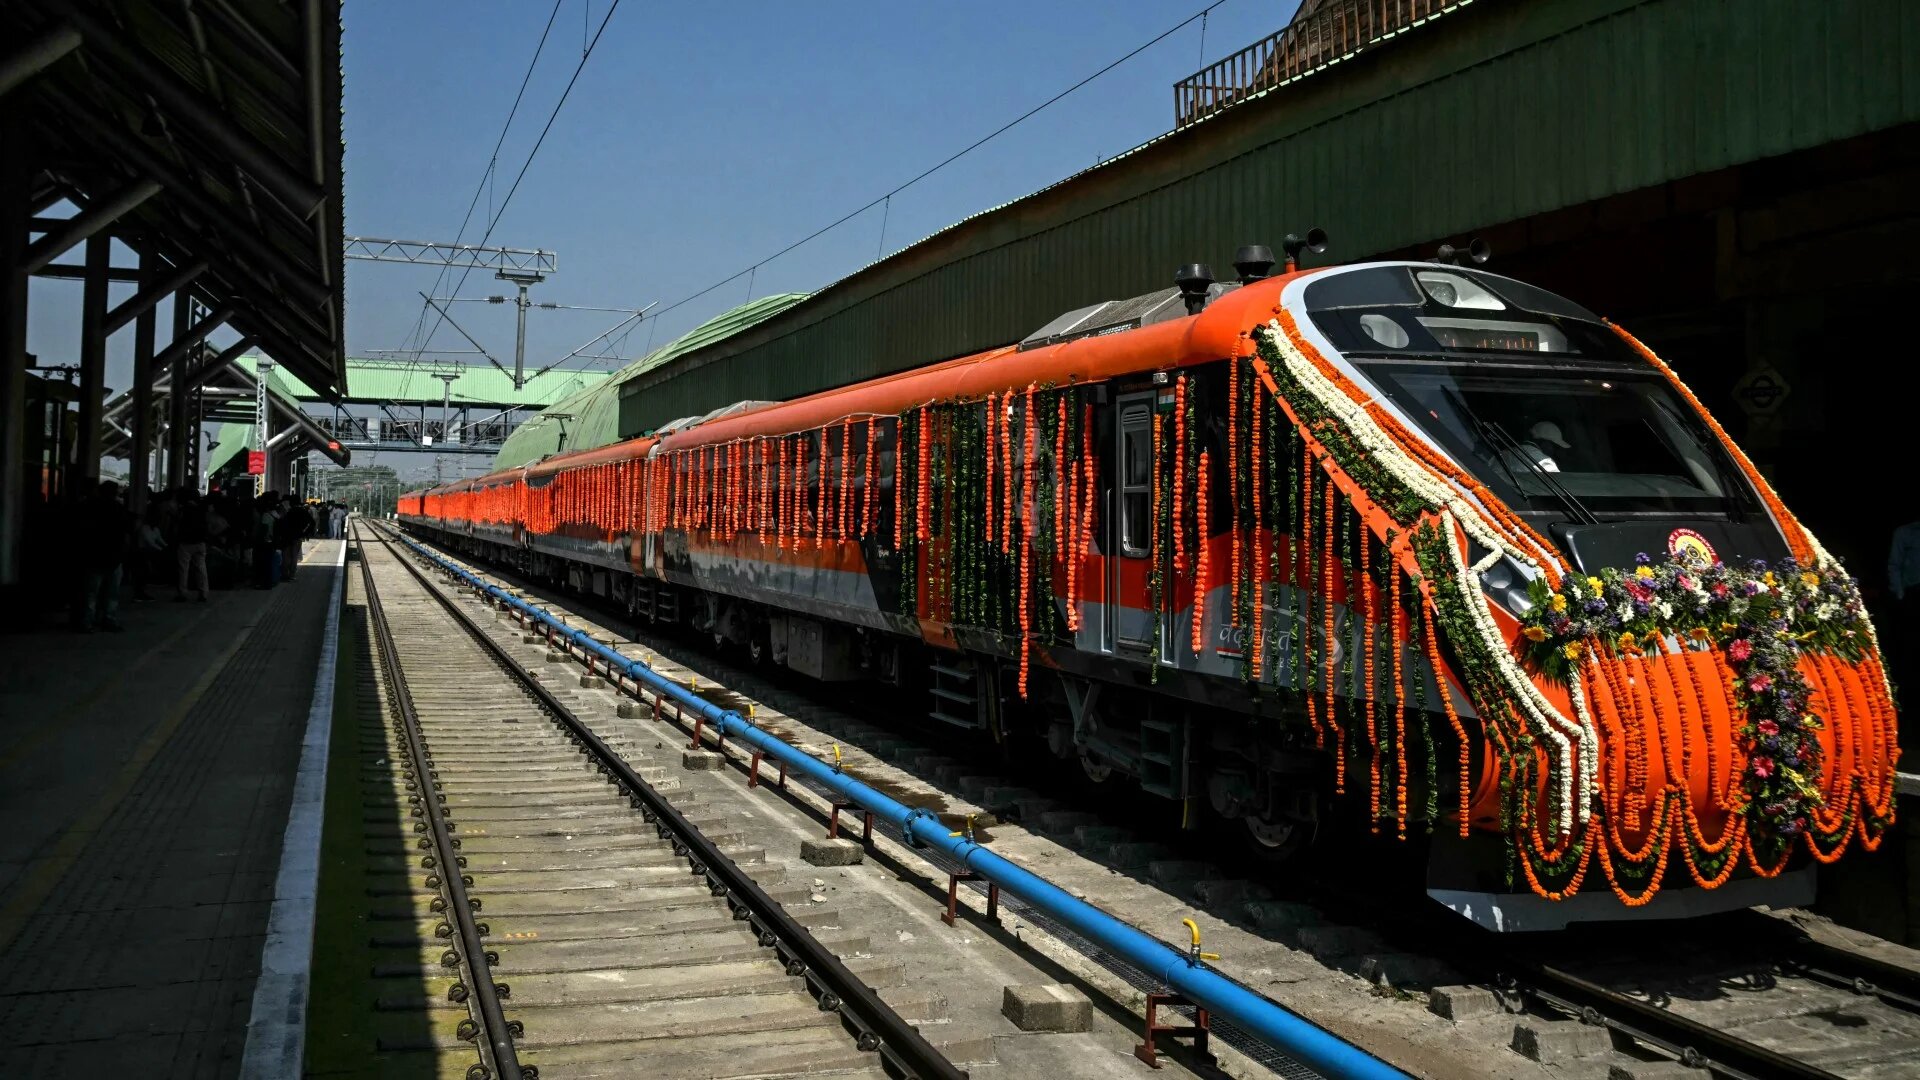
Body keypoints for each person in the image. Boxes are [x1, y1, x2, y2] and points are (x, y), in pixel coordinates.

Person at [73, 480, 132, 632]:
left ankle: (87, 621)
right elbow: (125, 532)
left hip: (93, 556)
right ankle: (108, 619)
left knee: (91, 592)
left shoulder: (88, 507)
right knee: (111, 592)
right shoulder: (118, 508)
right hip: (113, 556)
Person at [175, 492, 211, 601]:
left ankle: (183, 593)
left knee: (183, 569)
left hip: (186, 543)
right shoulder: (202, 511)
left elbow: (178, 525)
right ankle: (203, 593)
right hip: (200, 543)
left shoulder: (184, 510)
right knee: (201, 568)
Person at [279, 498, 313, 581]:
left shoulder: (288, 512)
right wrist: (304, 533)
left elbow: (282, 523)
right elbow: (312, 522)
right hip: (298, 537)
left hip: (287, 536)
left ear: (291, 503)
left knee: (286, 556)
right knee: (294, 557)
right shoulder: (303, 511)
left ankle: (285, 575)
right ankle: (292, 575)